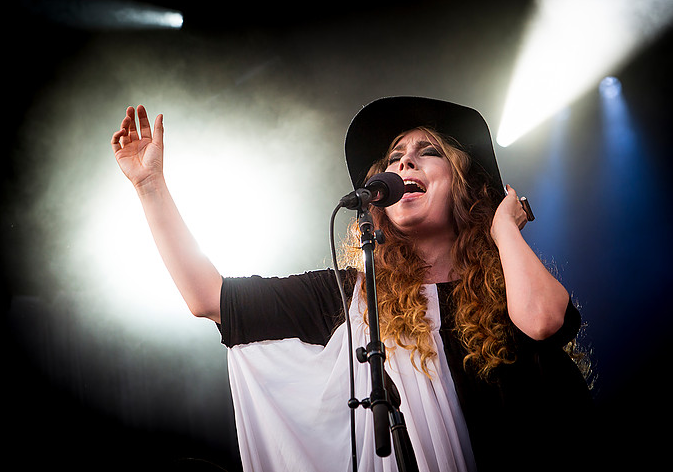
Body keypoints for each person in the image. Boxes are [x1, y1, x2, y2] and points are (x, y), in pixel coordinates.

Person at [111, 97, 593, 471]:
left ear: (465, 184)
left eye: (427, 153)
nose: (403, 165)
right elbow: (208, 298)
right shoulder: (354, 298)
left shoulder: (505, 287)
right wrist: (150, 187)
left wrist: (503, 227)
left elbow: (543, 319)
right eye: (394, 158)